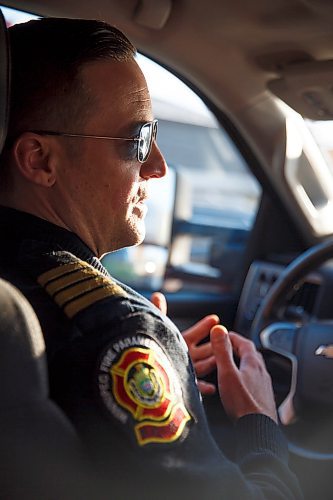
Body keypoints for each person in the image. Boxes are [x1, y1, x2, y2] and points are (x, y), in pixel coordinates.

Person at [0, 17, 302, 499]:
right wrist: (260, 424)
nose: (159, 166)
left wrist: (162, 362)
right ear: (40, 160)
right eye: (137, 140)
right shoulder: (112, 330)